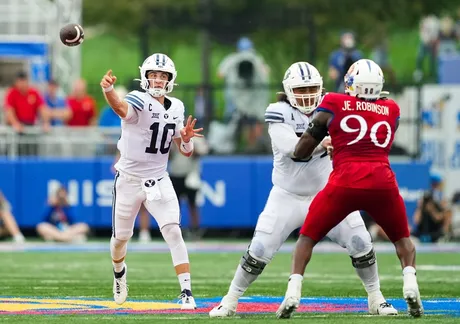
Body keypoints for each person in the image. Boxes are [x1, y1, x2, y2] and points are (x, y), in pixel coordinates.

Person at [210, 62, 397, 318]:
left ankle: (376, 298)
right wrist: (324, 143)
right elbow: (293, 149)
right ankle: (229, 300)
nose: (307, 94)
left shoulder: (335, 107)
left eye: (312, 88)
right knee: (260, 250)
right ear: (288, 90)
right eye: (301, 89)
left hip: (327, 192)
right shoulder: (278, 112)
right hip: (286, 195)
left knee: (360, 242)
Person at [277, 59, 423, 319]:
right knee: (403, 241)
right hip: (382, 181)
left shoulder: (333, 102)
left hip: (345, 181)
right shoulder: (392, 109)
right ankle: (410, 285)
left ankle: (293, 291)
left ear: (351, 82)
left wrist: (319, 139)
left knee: (306, 238)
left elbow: (301, 152)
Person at [99, 53, 203, 309]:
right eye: (153, 75)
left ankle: (187, 291)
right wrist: (109, 89)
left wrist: (187, 138)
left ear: (170, 79)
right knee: (121, 238)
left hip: (158, 177)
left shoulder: (177, 107)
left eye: (162, 76)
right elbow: (120, 108)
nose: (157, 80)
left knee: (173, 230)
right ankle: (119, 272)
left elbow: (185, 151)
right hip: (129, 179)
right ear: (145, 77)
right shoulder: (138, 99)